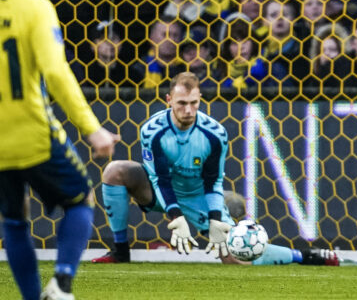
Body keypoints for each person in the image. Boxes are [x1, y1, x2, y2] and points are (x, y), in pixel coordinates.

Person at [92, 71, 339, 267]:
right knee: (115, 171)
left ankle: (304, 256)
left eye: (193, 103)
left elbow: (213, 182)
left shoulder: (215, 134)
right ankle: (120, 250)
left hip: (197, 195)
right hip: (159, 190)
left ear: (200, 101)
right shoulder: (151, 130)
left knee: (236, 256)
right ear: (168, 101)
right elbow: (159, 178)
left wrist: (214, 220)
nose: (188, 110)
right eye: (181, 103)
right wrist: (176, 216)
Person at [0, 0, 120, 300]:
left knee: (13, 220)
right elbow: (56, 72)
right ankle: (63, 281)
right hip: (35, 133)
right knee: (80, 199)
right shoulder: (35, 7)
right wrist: (92, 129)